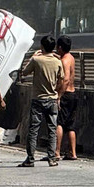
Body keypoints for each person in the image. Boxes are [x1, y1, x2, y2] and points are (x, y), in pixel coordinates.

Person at [17, 34, 64, 167]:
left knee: (33, 130)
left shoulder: (36, 60)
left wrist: (32, 57)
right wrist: (56, 93)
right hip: (52, 99)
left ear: (42, 46)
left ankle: (30, 159)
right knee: (52, 130)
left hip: (38, 99)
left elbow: (24, 72)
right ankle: (52, 158)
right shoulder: (57, 61)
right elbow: (62, 79)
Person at [57, 34, 79, 160]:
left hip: (66, 94)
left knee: (59, 122)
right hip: (73, 93)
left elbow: (65, 79)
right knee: (70, 125)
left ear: (60, 47)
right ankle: (73, 153)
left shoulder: (64, 61)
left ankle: (57, 152)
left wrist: (59, 95)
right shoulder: (70, 57)